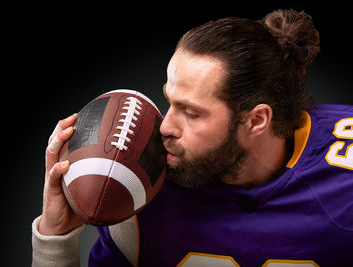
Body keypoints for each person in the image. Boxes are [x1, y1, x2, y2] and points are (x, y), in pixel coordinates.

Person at [32, 9, 353, 266]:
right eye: (170, 102)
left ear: (256, 120)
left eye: (191, 112)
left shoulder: (344, 181)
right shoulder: (139, 188)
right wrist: (56, 236)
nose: (165, 126)